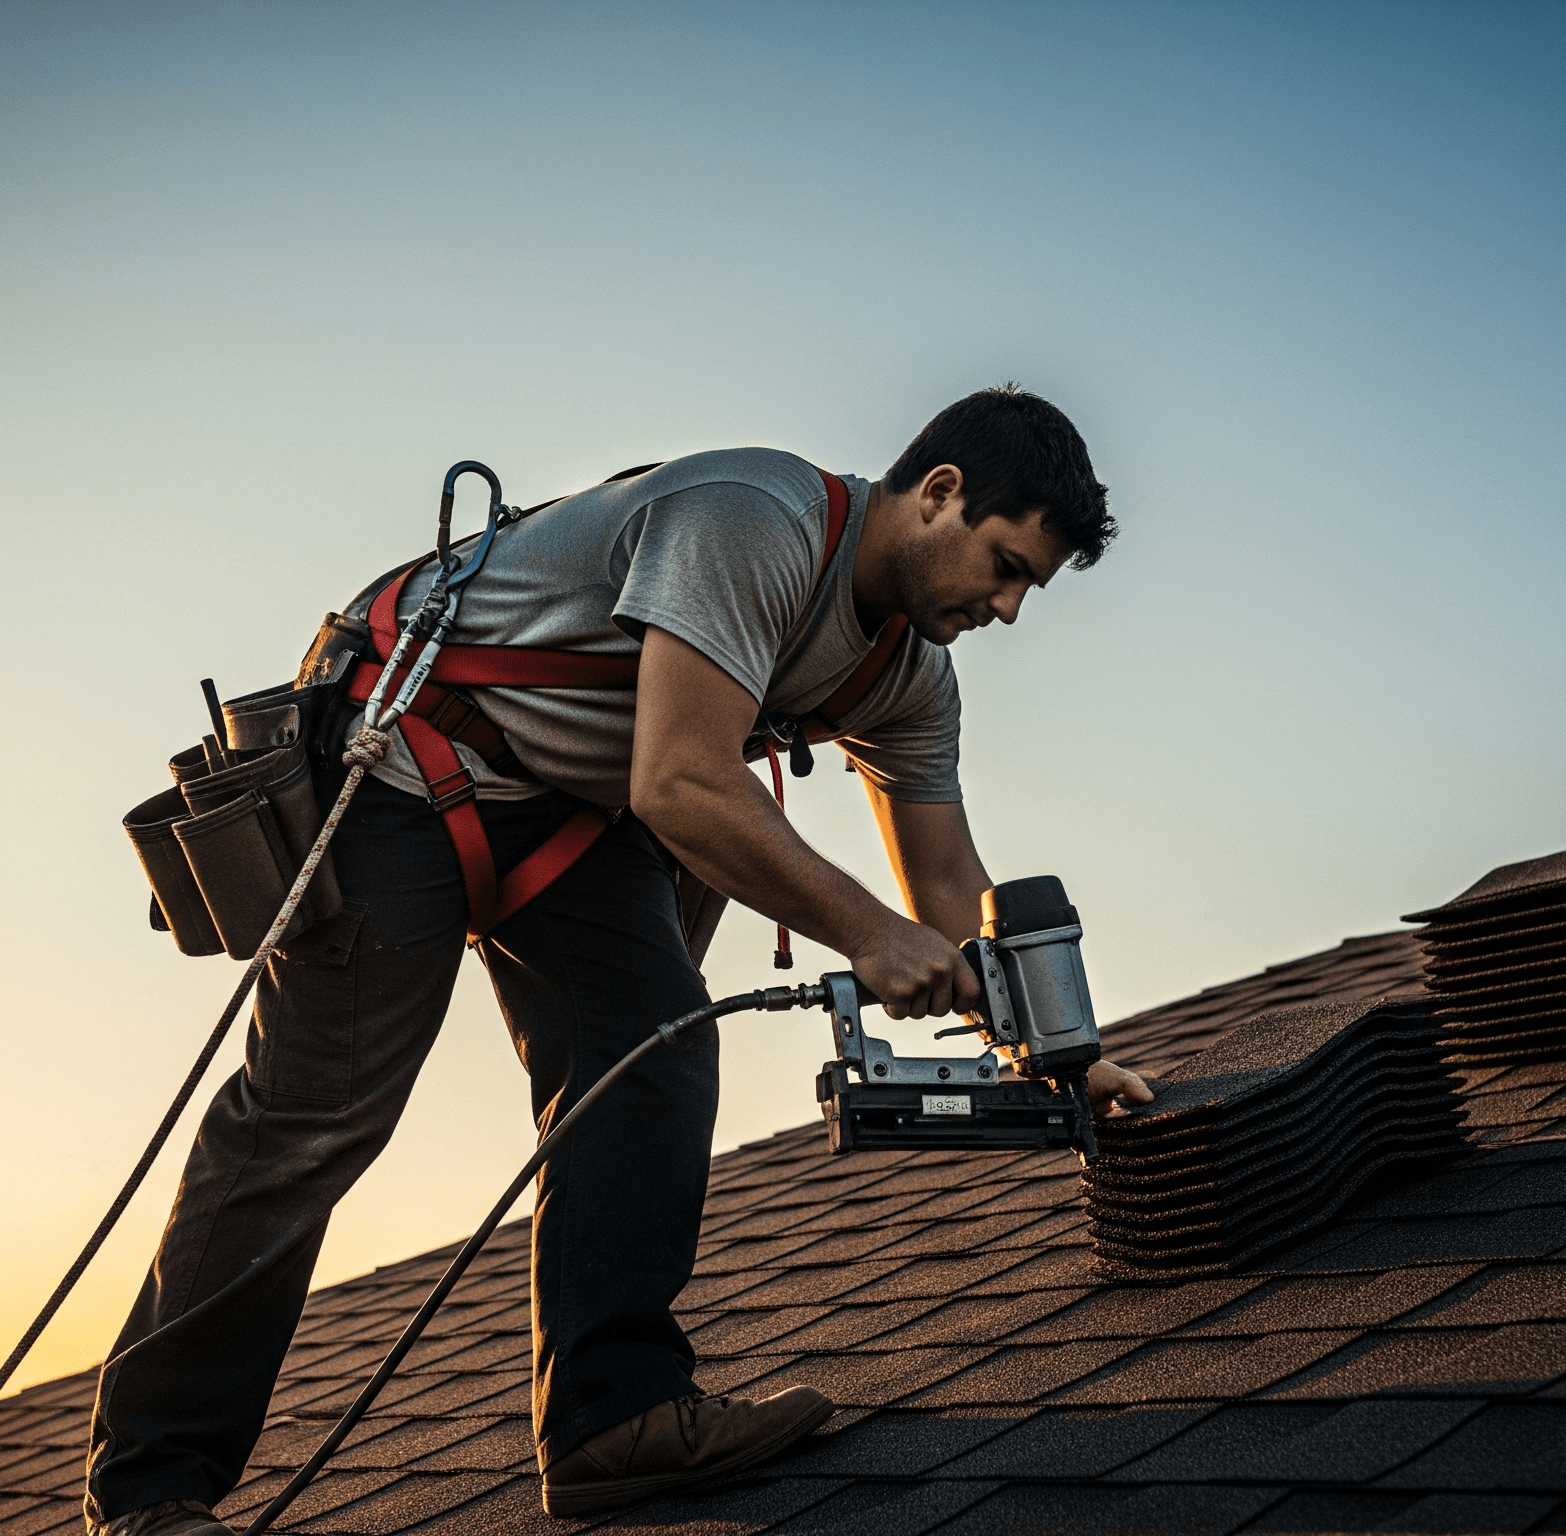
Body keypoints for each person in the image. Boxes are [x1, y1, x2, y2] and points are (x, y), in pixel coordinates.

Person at [83, 385, 1154, 1527]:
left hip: (565, 819)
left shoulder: (907, 680)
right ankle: (150, 1492)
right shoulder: (753, 518)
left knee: (652, 1052)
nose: (1004, 607)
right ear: (939, 493)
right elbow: (682, 781)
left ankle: (611, 1421)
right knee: (312, 1119)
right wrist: (865, 934)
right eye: (1004, 567)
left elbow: (945, 890)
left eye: (1025, 587)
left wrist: (1060, 1052)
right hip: (404, 758)